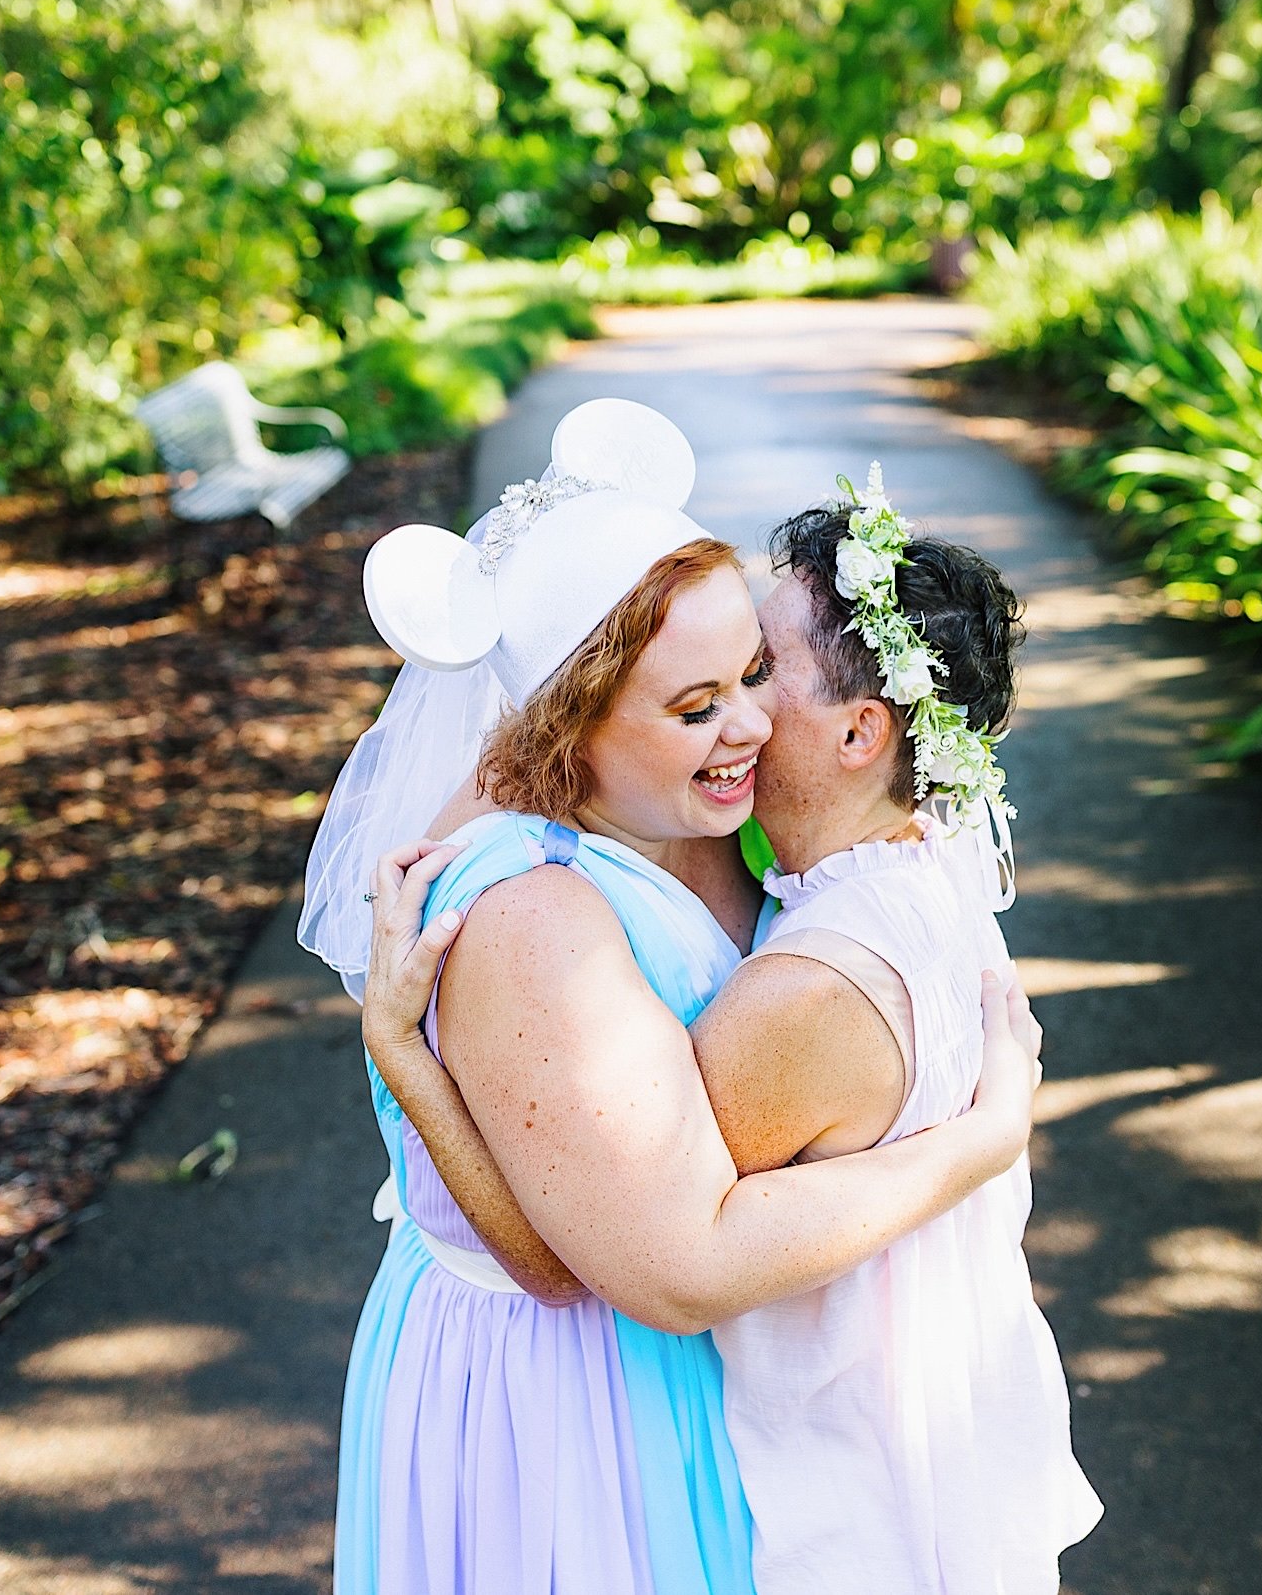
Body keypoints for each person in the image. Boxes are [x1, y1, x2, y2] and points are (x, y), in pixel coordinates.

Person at [297, 400, 1045, 1595]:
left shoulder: (729, 818)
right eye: (694, 705)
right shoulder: (528, 910)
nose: (746, 723)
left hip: (689, 1377)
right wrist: (405, 1052)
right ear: (569, 722)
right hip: (556, 1403)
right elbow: (579, 1263)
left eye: (753, 669)